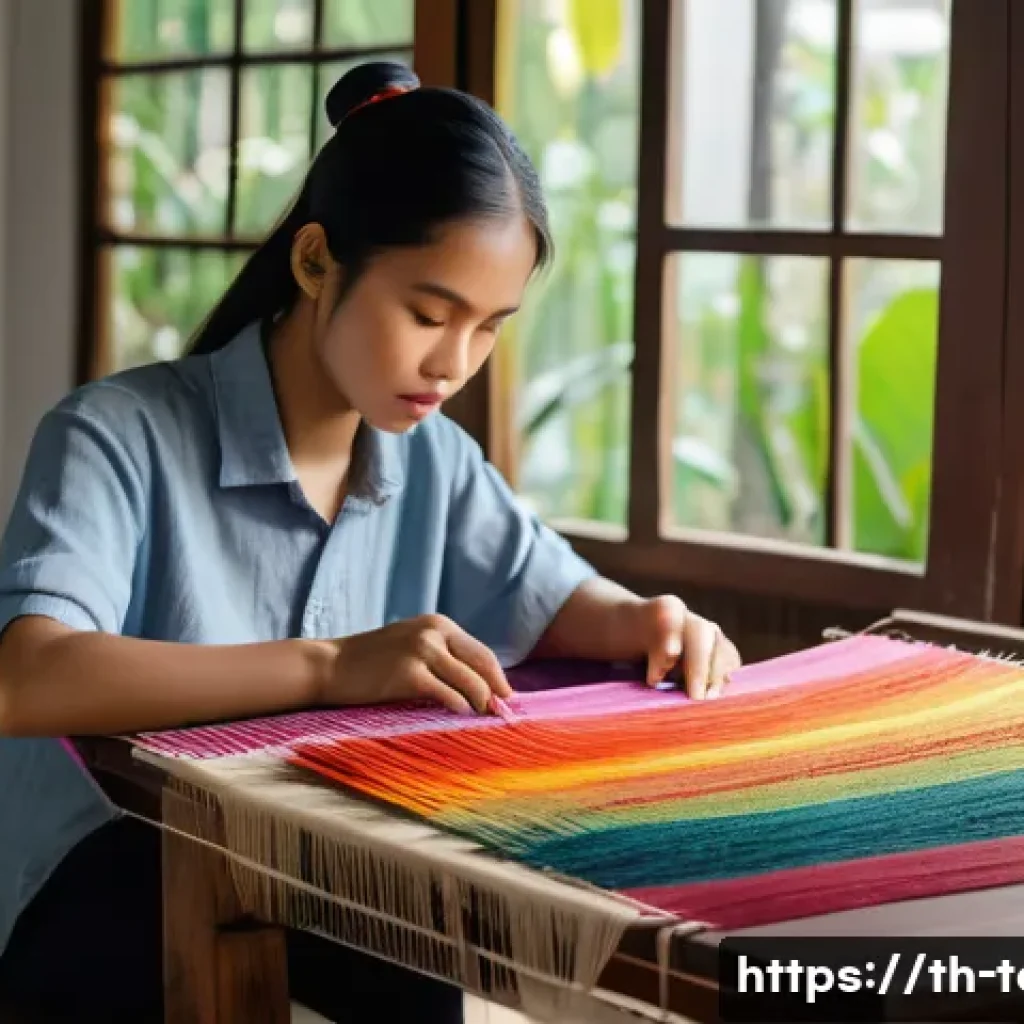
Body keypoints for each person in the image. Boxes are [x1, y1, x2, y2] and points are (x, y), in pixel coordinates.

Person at [0, 62, 741, 1022]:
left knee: (422, 951)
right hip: (106, 872)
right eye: (428, 315)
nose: (454, 362)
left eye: (488, 329)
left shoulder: (431, 459)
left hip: (327, 857)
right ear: (315, 263)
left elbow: (550, 598)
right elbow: (30, 677)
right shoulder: (114, 432)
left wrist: (648, 620)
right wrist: (329, 669)